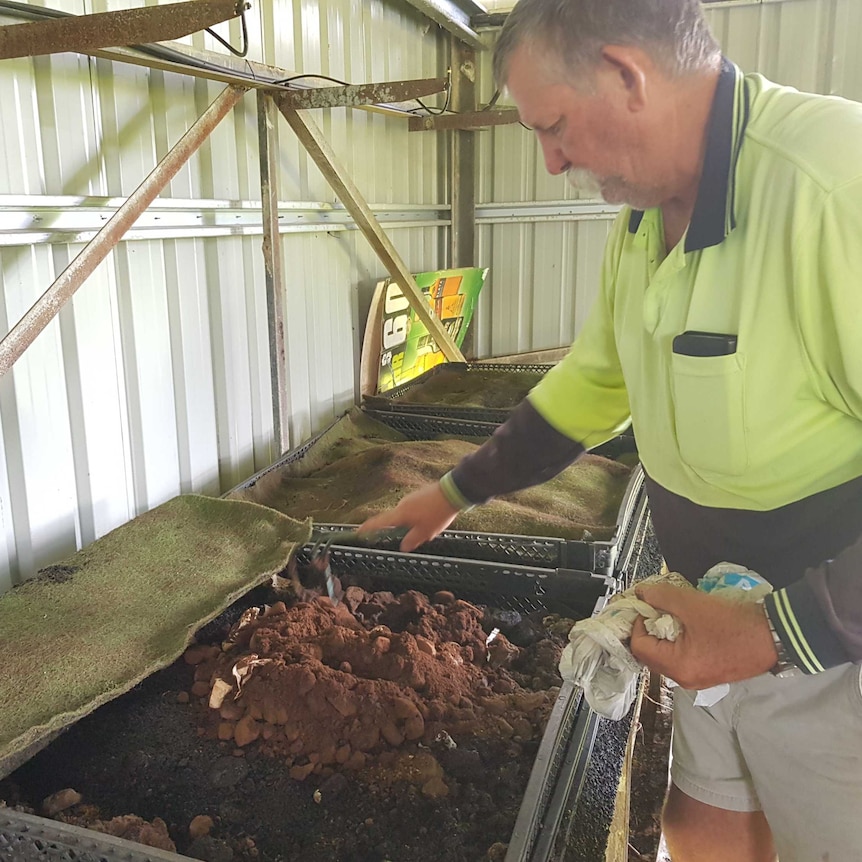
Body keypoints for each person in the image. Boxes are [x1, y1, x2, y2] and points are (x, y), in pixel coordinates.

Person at [360, 0, 862, 859]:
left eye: (553, 127)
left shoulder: (833, 186)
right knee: (703, 829)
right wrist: (454, 491)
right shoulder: (644, 215)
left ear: (629, 75)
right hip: (703, 614)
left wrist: (773, 633)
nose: (551, 161)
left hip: (831, 650)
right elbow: (595, 384)